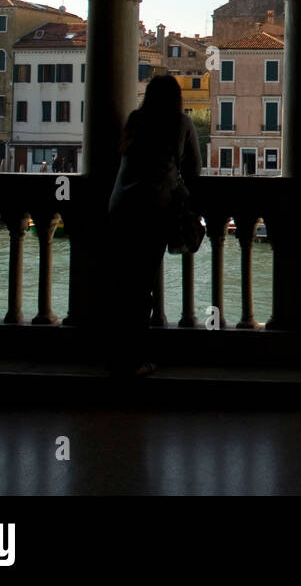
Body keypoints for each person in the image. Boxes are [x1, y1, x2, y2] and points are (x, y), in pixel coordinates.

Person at [106, 75, 201, 376]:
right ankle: (133, 361)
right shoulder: (181, 123)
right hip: (151, 211)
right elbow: (194, 169)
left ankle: (116, 356)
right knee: (141, 288)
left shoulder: (136, 119)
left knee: (122, 286)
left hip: (120, 208)